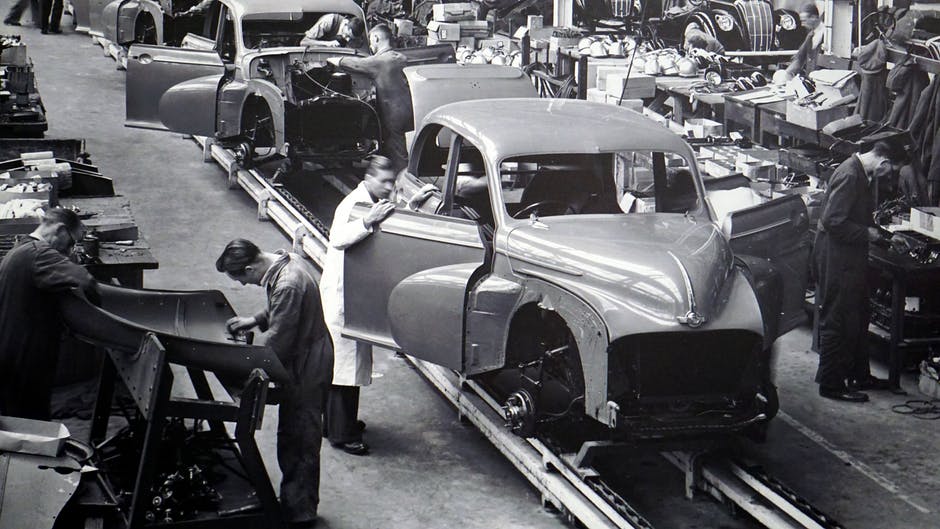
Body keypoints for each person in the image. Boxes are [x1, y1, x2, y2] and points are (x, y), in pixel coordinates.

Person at [217, 239, 332, 529]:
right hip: (304, 352)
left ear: (249, 268)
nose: (244, 285)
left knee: (299, 439)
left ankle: (300, 515)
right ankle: (294, 503)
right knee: (292, 435)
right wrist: (254, 320)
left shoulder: (287, 284)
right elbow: (284, 309)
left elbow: (277, 343)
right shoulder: (284, 260)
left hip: (307, 363)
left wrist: (240, 367)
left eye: (242, 279)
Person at [814, 141, 906, 402]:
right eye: (891, 171)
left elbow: (855, 217)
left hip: (848, 253)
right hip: (835, 254)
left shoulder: (861, 174)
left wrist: (885, 237)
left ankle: (858, 374)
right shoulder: (850, 175)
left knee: (858, 313)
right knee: (837, 317)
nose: (889, 178)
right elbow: (834, 221)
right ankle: (831, 384)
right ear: (884, 162)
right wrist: (868, 234)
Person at [320, 155, 397, 456]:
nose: (389, 187)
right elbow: (338, 238)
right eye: (384, 181)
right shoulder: (354, 204)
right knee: (345, 368)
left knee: (346, 366)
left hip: (355, 293)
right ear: (368, 178)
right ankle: (342, 434)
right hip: (343, 296)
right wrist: (367, 221)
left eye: (392, 181)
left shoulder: (371, 201)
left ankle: (336, 424)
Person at [0, 208, 97, 420]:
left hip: (11, 354)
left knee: (17, 422)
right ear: (60, 230)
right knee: (33, 425)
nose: (69, 251)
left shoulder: (19, 249)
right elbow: (86, 280)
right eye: (71, 243)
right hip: (27, 359)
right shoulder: (40, 254)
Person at [328, 24, 413, 172]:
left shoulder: (380, 61)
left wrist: (333, 59)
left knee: (398, 152)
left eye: (371, 41)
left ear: (376, 38)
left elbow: (356, 64)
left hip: (392, 113)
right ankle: (388, 173)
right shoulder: (400, 57)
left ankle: (402, 179)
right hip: (408, 109)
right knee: (393, 147)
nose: (371, 46)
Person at [781, 3, 825, 81]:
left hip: (822, 81)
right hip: (811, 80)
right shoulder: (810, 36)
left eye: (804, 21)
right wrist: (785, 75)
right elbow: (799, 57)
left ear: (813, 17)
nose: (802, 24)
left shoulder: (826, 35)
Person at [300, 13, 365, 48]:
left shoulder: (356, 35)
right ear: (345, 23)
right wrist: (327, 44)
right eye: (347, 35)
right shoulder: (329, 21)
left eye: (351, 38)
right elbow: (304, 42)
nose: (347, 40)